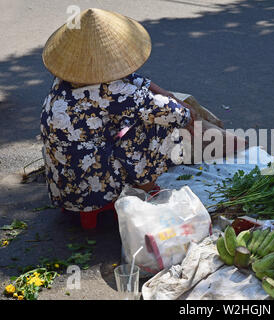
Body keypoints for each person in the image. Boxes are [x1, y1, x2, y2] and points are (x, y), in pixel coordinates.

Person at [40, 8, 207, 226]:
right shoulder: (114, 91)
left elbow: (131, 79)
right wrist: (187, 114)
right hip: (95, 190)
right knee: (159, 123)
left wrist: (164, 93)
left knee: (134, 118)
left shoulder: (66, 78)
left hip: (64, 186)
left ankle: (90, 204)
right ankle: (145, 187)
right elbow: (177, 113)